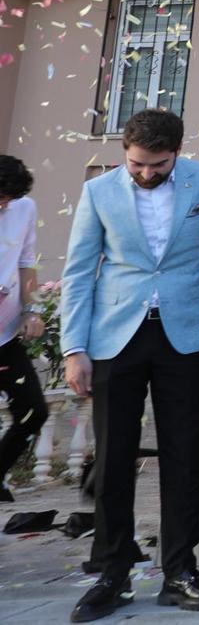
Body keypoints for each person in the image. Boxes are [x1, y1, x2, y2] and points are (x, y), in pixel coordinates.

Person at [61, 110, 199, 621]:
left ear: (177, 153)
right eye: (137, 163)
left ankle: (180, 569)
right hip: (114, 335)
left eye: (157, 164)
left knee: (184, 454)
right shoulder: (99, 191)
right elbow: (77, 272)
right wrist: (75, 348)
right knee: (114, 456)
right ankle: (112, 573)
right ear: (125, 152)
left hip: (186, 331)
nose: (145, 173)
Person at [0, 157, 47, 503]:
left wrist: (32, 309)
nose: (4, 204)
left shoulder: (24, 208)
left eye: (9, 199)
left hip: (5, 335)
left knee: (34, 410)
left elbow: (26, 261)